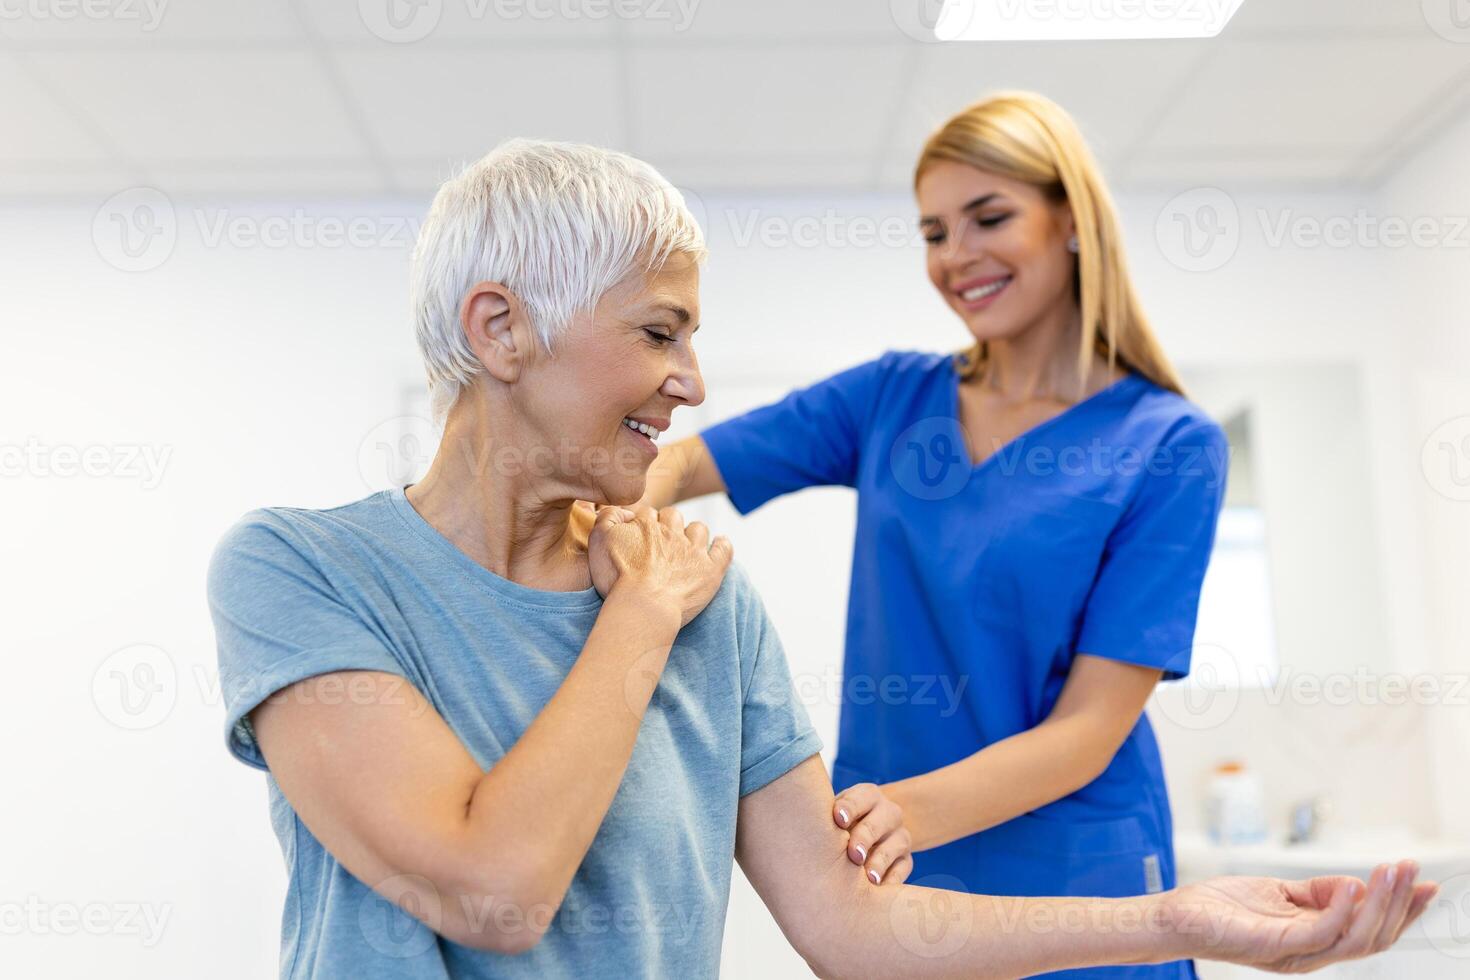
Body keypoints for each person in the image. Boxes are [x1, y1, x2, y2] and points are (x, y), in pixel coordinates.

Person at [208, 137, 1434, 979]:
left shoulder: (707, 606)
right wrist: (637, 617)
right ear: (502, 328)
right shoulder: (303, 570)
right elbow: (496, 890)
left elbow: (852, 924)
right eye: (658, 332)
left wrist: (1175, 917)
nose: (689, 381)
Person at [636, 90, 1321, 978]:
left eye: (987, 217)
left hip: (1074, 872)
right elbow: (681, 466)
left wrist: (903, 811)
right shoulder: (891, 399)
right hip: (899, 870)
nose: (956, 256)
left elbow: (1088, 731)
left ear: (1070, 220)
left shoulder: (1168, 445)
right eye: (932, 232)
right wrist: (571, 506)